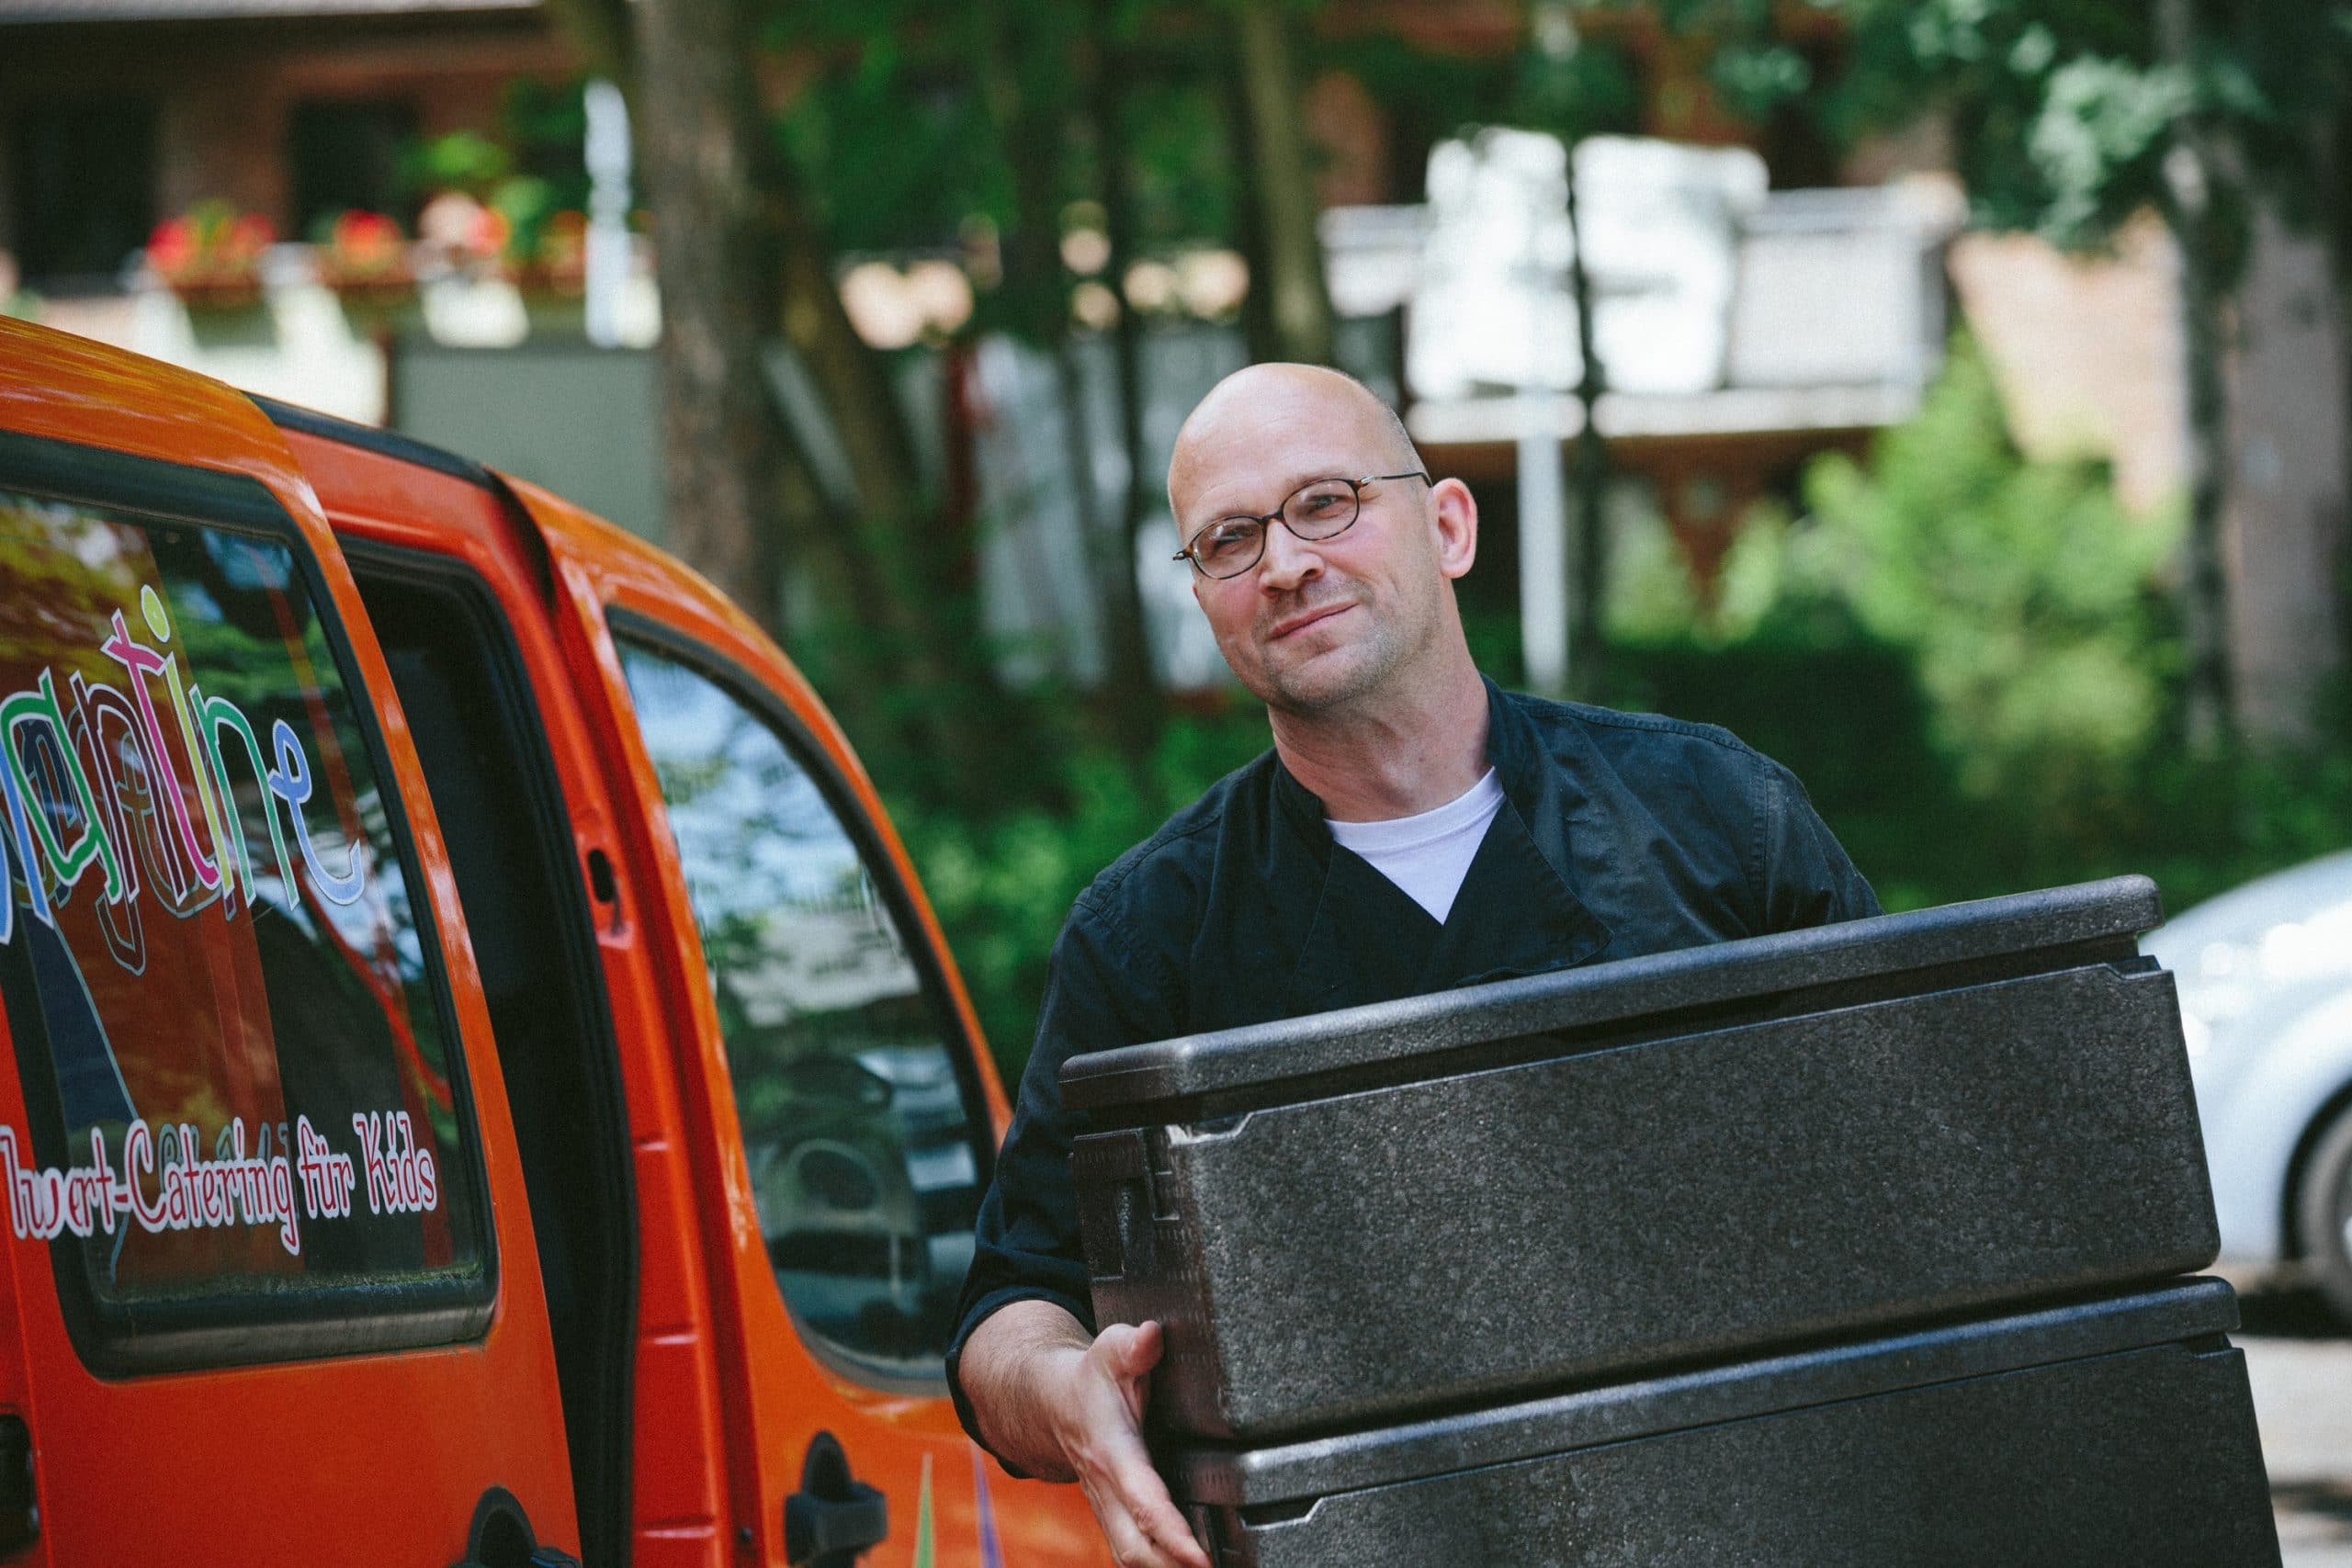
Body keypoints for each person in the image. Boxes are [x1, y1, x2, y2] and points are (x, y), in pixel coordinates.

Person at [948, 363, 1879, 1568]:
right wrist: (1068, 1394)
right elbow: (1010, 1309)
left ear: (1449, 525)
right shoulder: (1150, 934)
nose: (1285, 562)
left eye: (1326, 502)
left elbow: (1905, 1156)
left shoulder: (1719, 819)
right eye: (1229, 540)